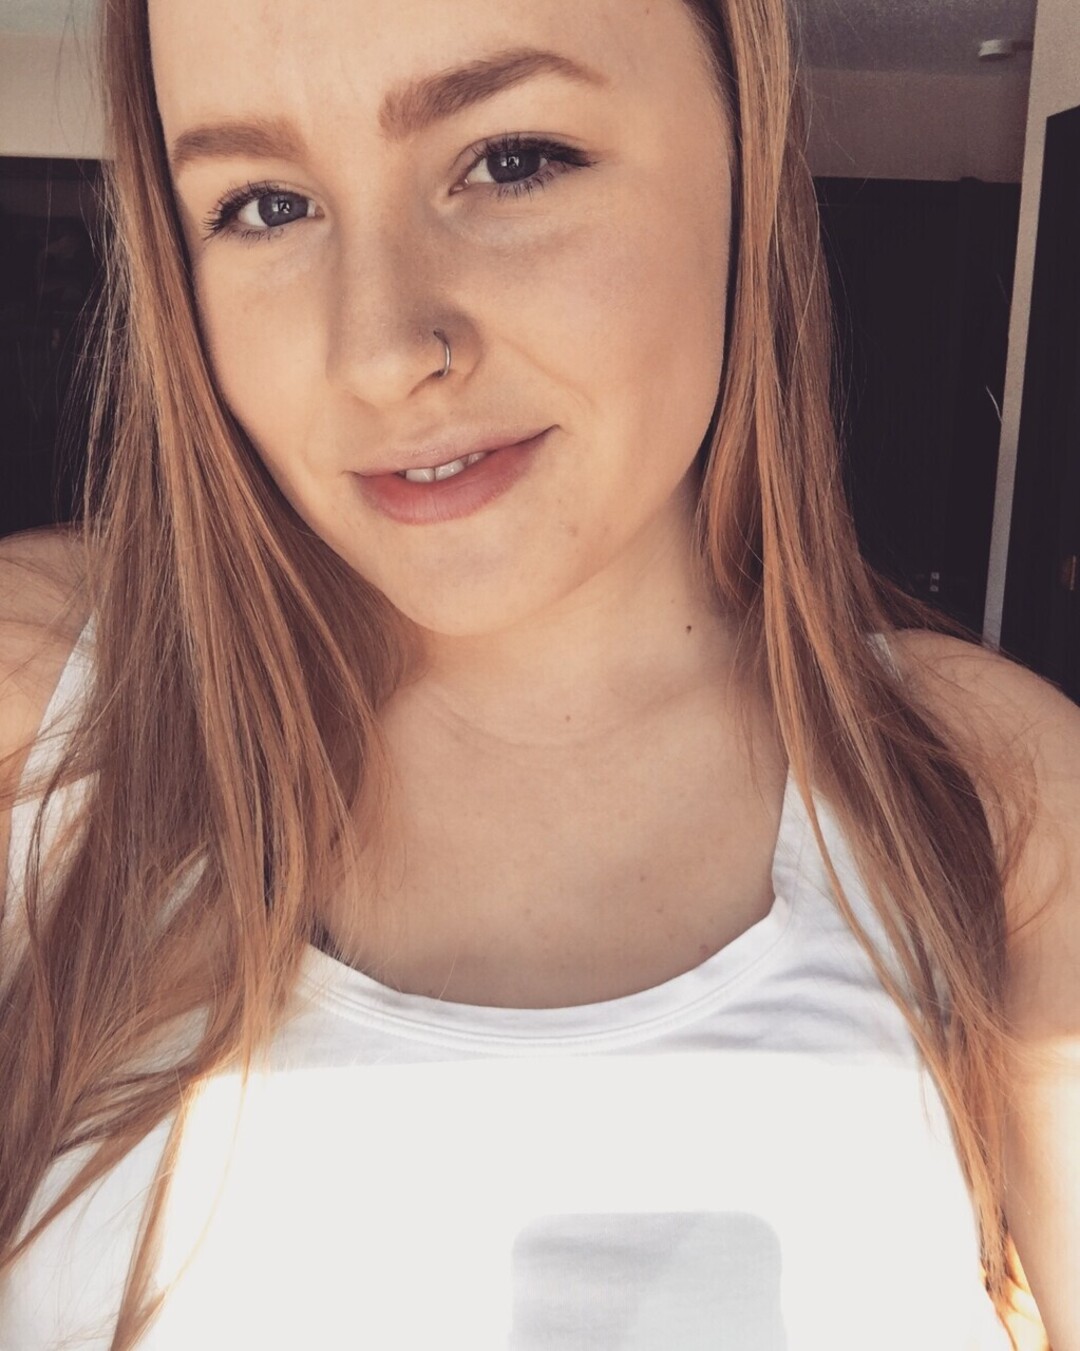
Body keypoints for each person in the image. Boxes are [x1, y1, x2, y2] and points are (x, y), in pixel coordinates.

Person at [0, 0, 1076, 1346]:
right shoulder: (47, 702)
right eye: (265, 206)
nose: (378, 352)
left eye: (512, 161)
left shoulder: (993, 792)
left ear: (746, 151)